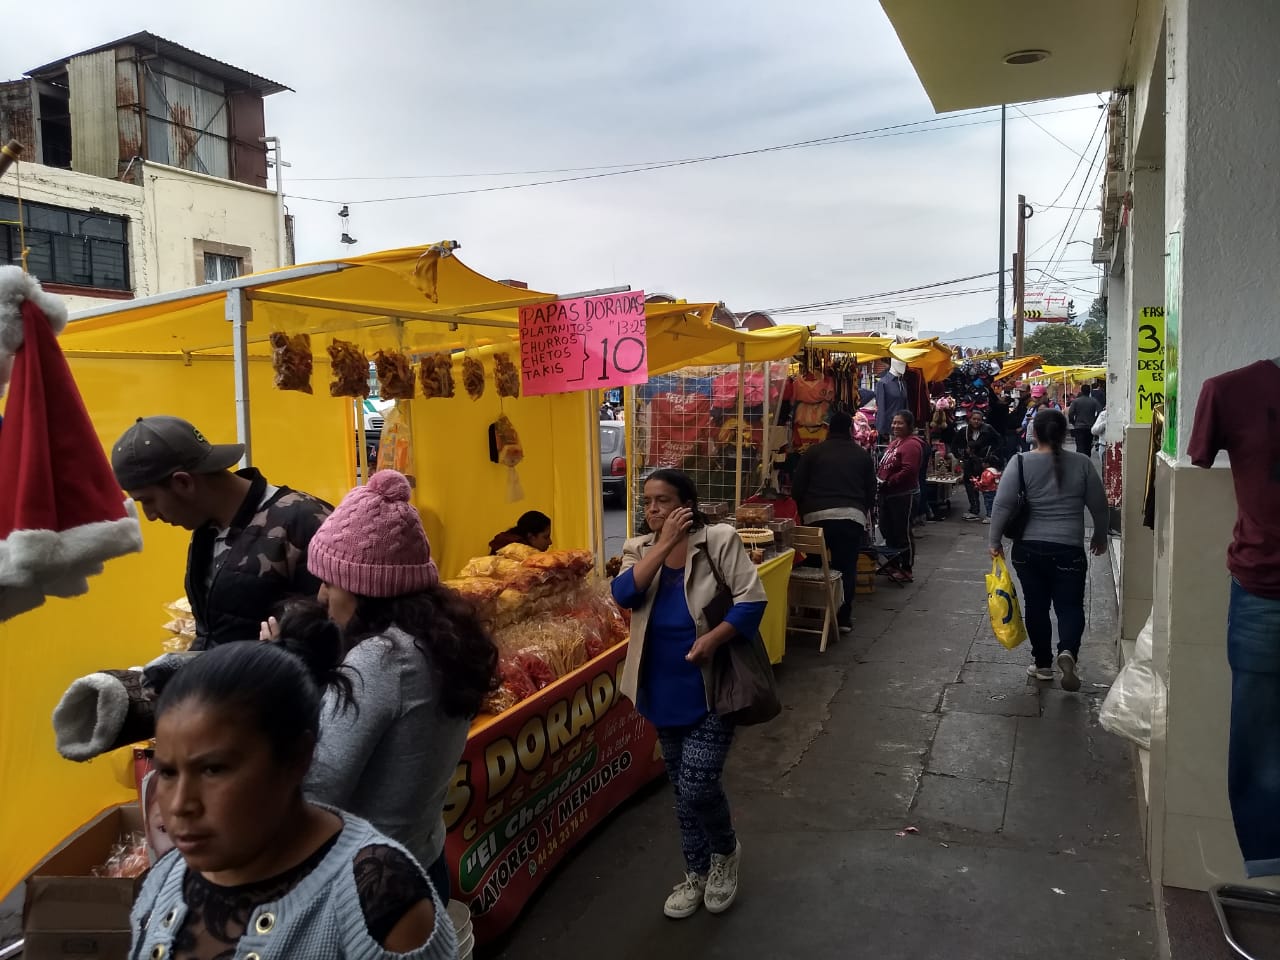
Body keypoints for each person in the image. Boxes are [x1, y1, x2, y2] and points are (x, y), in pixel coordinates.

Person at [131, 641, 457, 959]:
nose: (180, 805)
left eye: (213, 769)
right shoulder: (167, 879)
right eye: (168, 772)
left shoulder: (376, 900)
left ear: (297, 758)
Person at [293, 469, 500, 905]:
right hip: (421, 857)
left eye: (330, 581)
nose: (321, 597)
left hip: (372, 888)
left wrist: (274, 688)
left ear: (367, 589)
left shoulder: (382, 659)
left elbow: (317, 789)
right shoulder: (436, 640)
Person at [612, 469, 767, 920]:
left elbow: (751, 600)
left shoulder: (718, 540)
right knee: (682, 788)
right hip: (659, 687)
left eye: (663, 501)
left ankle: (724, 853)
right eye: (648, 502)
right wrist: (661, 544)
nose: (653, 509)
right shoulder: (638, 549)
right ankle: (696, 872)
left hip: (711, 685)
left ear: (687, 504)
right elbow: (623, 594)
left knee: (698, 785)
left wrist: (713, 639)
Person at [111, 415, 332, 649]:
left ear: (184, 483)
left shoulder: (306, 522)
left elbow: (338, 636)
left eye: (148, 500)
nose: (150, 515)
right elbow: (213, 635)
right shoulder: (207, 529)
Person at [988, 409, 1108, 691]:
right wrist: (1100, 536)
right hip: (1069, 548)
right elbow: (1099, 506)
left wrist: (994, 541)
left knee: (1037, 606)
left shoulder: (1019, 462)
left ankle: (1042, 664)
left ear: (1035, 433)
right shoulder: (1082, 464)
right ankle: (1068, 651)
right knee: (1070, 606)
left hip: (1028, 549)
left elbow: (1002, 505)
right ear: (1064, 432)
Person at [791, 410, 876, 630]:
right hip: (851, 517)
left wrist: (803, 511)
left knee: (812, 564)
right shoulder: (861, 455)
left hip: (816, 517)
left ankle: (813, 612)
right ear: (850, 429)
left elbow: (797, 487)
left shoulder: (814, 453)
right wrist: (860, 511)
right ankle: (842, 618)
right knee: (846, 567)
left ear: (828, 429)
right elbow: (871, 491)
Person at [877, 411, 924, 583]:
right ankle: (893, 564)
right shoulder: (895, 443)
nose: (895, 426)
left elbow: (909, 470)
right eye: (894, 422)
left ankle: (906, 568)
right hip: (888, 494)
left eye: (900, 423)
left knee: (902, 531)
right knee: (887, 530)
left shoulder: (912, 445)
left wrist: (890, 481)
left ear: (909, 425)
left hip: (903, 495)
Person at [955, 409, 1003, 521]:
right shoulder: (964, 431)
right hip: (970, 462)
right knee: (970, 485)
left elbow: (999, 441)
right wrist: (961, 455)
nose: (976, 421)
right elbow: (955, 444)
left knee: (988, 488)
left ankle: (990, 513)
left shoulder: (988, 429)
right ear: (970, 420)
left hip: (984, 462)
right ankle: (974, 509)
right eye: (974, 419)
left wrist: (992, 454)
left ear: (982, 420)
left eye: (979, 420)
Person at [488, 510, 553, 554]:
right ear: (531, 537)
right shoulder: (518, 556)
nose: (550, 542)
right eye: (546, 537)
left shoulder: (504, 543)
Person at [1068, 383, 1103, 455]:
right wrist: (1095, 420)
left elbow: (1070, 413)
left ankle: (1080, 461)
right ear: (1089, 391)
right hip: (1089, 427)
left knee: (1080, 447)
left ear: (1081, 391)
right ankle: (1087, 461)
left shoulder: (1076, 401)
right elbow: (1100, 411)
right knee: (1088, 447)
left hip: (1079, 427)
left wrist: (1073, 422)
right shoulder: (1094, 401)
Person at [974, 455, 1003, 526]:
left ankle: (989, 517)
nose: (982, 464)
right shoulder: (996, 471)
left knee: (988, 504)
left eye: (983, 463)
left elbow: (985, 482)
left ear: (987, 464)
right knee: (994, 503)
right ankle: (995, 516)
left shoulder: (987, 472)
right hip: (995, 489)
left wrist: (977, 483)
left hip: (988, 491)